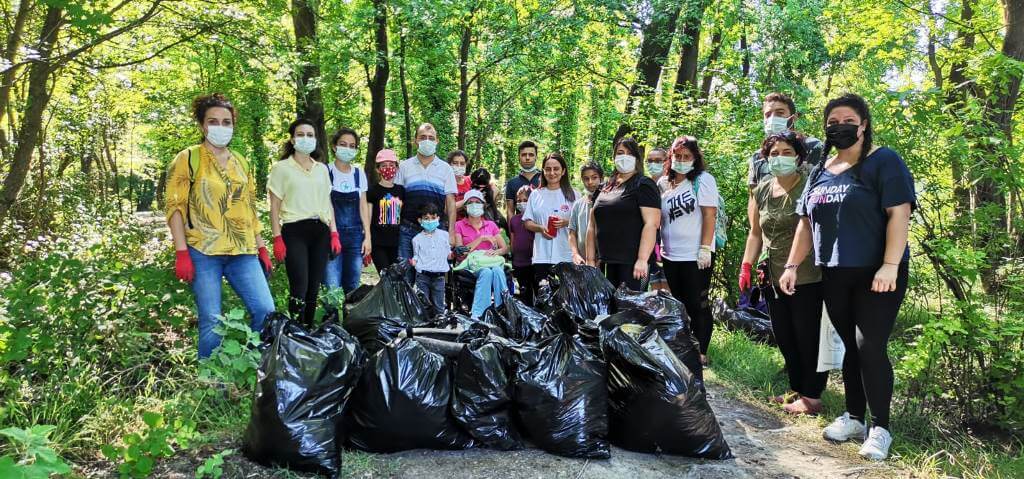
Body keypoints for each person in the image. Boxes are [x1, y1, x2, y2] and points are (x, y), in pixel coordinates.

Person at [780, 93, 915, 461]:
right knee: (849, 347)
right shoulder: (822, 170)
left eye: (847, 120)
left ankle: (880, 427)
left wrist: (889, 265)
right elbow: (805, 223)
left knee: (869, 346)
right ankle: (854, 417)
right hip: (835, 272)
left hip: (878, 273)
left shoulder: (883, 161)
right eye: (832, 122)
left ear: (864, 124)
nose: (839, 126)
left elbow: (899, 213)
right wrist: (791, 266)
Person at [165, 93, 274, 359]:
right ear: (202, 125)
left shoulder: (241, 162)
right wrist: (181, 252)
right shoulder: (188, 158)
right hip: (203, 251)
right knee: (211, 321)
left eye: (226, 122)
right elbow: (175, 208)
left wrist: (261, 247)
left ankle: (250, 364)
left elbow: (248, 208)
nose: (220, 127)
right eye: (213, 121)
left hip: (243, 251)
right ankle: (211, 382)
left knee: (265, 310)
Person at [741, 130, 827, 415]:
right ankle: (796, 387)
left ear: (799, 157)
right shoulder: (763, 188)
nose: (779, 158)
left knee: (807, 335)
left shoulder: (810, 185)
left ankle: (812, 396)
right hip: (772, 273)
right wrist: (747, 265)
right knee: (785, 335)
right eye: (774, 153)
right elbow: (755, 233)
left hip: (807, 274)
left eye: (786, 152)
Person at [268, 118, 342, 325]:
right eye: (300, 134)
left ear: (316, 139)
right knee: (299, 285)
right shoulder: (281, 168)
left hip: (320, 231)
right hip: (294, 231)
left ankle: (308, 329)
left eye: (310, 135)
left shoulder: (321, 169)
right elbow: (274, 206)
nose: (305, 138)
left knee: (314, 286)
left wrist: (334, 233)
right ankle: (295, 330)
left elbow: (327, 202)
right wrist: (276, 238)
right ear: (292, 139)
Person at [658, 135, 718, 366]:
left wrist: (704, 248)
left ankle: (701, 349)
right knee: (679, 302)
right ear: (670, 157)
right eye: (677, 156)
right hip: (670, 253)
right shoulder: (663, 183)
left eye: (686, 157)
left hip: (696, 254)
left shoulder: (703, 180)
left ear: (695, 158)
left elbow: (709, 214)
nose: (681, 160)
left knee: (697, 302)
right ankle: (683, 344)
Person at [588, 137, 661, 290]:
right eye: (620, 152)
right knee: (607, 311)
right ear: (614, 156)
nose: (624, 157)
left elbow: (651, 224)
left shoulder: (644, 185)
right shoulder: (604, 188)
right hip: (604, 263)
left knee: (628, 311)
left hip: (632, 264)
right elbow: (591, 226)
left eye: (629, 153)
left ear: (636, 158)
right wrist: (590, 260)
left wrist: (642, 259)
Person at [396, 123, 458, 264]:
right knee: (405, 273)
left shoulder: (446, 168)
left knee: (433, 274)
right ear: (416, 140)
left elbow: (451, 202)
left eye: (431, 138)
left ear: (437, 141)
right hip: (407, 229)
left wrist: (451, 232)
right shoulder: (404, 166)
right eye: (423, 137)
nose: (427, 141)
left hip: (436, 229)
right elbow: (397, 199)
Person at [323, 127, 371, 293]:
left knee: (352, 284)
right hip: (331, 235)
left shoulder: (359, 173)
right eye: (343, 144)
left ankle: (350, 318)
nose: (347, 148)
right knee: (332, 285)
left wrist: (368, 237)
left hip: (355, 236)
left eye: (352, 145)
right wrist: (333, 233)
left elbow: (363, 205)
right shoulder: (325, 171)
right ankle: (333, 318)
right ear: (335, 146)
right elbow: (324, 204)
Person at [749, 92, 824, 189]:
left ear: (793, 118)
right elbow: (753, 195)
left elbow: (824, 187)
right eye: (768, 115)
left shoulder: (813, 146)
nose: (773, 118)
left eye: (780, 113)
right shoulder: (757, 157)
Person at [454, 189, 509, 319]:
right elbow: (460, 252)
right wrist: (481, 239)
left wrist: (496, 252)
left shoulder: (491, 225)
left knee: (497, 270)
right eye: (470, 202)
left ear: (483, 205)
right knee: (486, 272)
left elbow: (505, 248)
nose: (474, 205)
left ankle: (503, 309)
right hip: (471, 264)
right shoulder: (459, 225)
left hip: (491, 261)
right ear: (465, 206)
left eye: (477, 202)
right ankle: (479, 314)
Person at [522, 152, 577, 283]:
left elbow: (581, 224)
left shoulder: (574, 195)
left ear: (563, 171)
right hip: (542, 256)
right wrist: (540, 228)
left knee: (565, 299)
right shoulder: (536, 195)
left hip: (566, 255)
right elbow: (527, 222)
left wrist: (566, 222)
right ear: (543, 171)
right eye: (548, 169)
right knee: (543, 297)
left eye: (556, 169)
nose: (552, 173)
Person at [366, 149, 404, 274]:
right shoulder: (372, 191)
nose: (388, 168)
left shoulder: (401, 191)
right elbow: (368, 217)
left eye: (392, 165)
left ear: (397, 168)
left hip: (396, 243)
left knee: (397, 278)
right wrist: (367, 239)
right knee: (386, 277)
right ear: (378, 169)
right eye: (384, 165)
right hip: (378, 243)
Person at [411, 203, 451, 314]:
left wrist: (454, 254)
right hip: (422, 276)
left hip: (439, 277)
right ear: (420, 220)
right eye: (426, 218)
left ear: (438, 218)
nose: (430, 221)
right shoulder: (416, 239)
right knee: (423, 305)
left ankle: (440, 328)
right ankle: (425, 328)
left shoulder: (444, 235)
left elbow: (448, 254)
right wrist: (413, 262)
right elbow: (416, 255)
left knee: (439, 306)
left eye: (433, 218)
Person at [568, 163, 603, 266]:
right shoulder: (578, 204)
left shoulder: (607, 203)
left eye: (594, 178)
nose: (590, 182)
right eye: (586, 179)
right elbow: (572, 232)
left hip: (604, 260)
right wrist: (575, 254)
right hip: (583, 261)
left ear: (601, 178)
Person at [509, 185, 537, 305]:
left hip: (533, 262)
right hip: (519, 263)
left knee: (537, 289)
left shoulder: (536, 219)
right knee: (524, 292)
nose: (521, 203)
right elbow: (512, 241)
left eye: (525, 200)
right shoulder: (514, 220)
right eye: (519, 201)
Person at [504, 140, 542, 220]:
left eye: (531, 155)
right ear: (519, 157)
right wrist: (511, 231)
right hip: (520, 229)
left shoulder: (545, 179)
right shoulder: (512, 183)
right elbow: (510, 211)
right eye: (524, 155)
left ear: (536, 157)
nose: (527, 158)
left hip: (541, 228)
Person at [449, 150, 473, 219]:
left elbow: (494, 187)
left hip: (471, 222)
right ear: (450, 164)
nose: (459, 166)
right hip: (453, 223)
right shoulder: (445, 184)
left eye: (462, 163)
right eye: (455, 163)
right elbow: (447, 209)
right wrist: (469, 199)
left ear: (466, 165)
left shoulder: (470, 180)